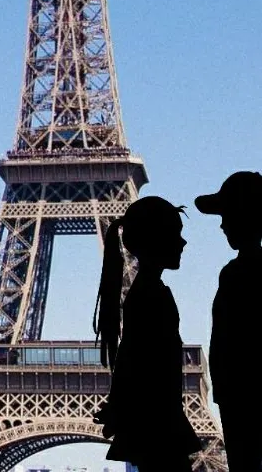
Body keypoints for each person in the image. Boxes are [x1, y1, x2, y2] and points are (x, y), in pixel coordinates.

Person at [93, 196, 201, 472]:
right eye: (175, 235)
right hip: (159, 423)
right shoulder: (151, 294)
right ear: (155, 241)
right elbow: (137, 359)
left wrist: (119, 404)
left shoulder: (145, 292)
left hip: (153, 422)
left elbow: (130, 358)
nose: (183, 242)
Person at [195, 171, 262, 472]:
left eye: (227, 214)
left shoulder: (235, 275)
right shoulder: (234, 273)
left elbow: (225, 343)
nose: (222, 224)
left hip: (241, 400)